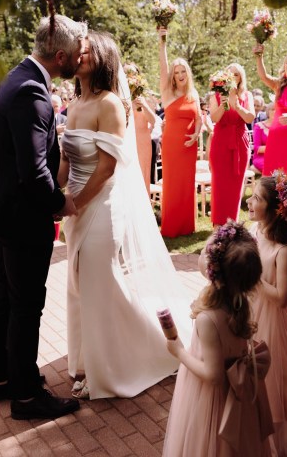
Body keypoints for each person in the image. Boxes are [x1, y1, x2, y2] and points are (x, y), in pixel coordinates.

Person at [59, 30, 193, 400]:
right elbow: (67, 159)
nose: (77, 54)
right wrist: (57, 196)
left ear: (100, 58)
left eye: (84, 50)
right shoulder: (73, 105)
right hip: (75, 206)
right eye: (76, 50)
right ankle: (85, 362)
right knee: (78, 284)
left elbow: (105, 168)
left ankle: (130, 358)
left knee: (101, 284)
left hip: (102, 204)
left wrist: (75, 202)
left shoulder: (110, 105)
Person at [0, 14, 87, 420]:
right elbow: (34, 171)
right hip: (22, 218)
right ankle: (25, 396)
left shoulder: (17, 77)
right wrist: (60, 203)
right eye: (76, 54)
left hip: (4, 212)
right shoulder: (32, 94)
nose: (79, 59)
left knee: (5, 295)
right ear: (61, 56)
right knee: (26, 305)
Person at [163, 220, 273, 457]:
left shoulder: (208, 319)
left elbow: (214, 376)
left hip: (214, 401)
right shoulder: (242, 302)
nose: (202, 254)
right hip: (240, 401)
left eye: (204, 252)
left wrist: (179, 352)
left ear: (214, 272)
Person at [247, 172, 287, 455]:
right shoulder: (255, 233)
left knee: (270, 382)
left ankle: (273, 444)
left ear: (276, 209)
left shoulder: (285, 251)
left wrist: (250, 276)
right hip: (251, 313)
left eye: (257, 198)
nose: (250, 201)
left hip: (272, 321)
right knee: (249, 376)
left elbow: (281, 299)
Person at [158, 27, 202, 237]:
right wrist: (162, 42)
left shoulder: (194, 93)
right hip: (172, 146)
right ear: (173, 76)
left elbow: (200, 118)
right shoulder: (168, 93)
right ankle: (171, 227)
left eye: (183, 71)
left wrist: (196, 134)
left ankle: (186, 227)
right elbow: (162, 66)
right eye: (177, 72)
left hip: (189, 146)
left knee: (186, 185)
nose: (181, 75)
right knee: (172, 185)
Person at [209, 63, 255, 226]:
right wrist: (224, 103)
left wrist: (237, 107)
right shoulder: (216, 95)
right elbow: (214, 118)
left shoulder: (246, 95)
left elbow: (250, 118)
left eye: (236, 74)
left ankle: (232, 224)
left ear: (240, 78)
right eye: (230, 74)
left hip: (240, 142)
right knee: (219, 185)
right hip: (220, 142)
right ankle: (217, 224)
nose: (233, 77)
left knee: (236, 186)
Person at [253, 45, 287, 182]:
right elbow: (263, 76)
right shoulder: (279, 85)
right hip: (276, 141)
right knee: (275, 180)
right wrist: (259, 56)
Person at [132, 94, 156, 194]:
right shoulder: (121, 98)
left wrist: (144, 105)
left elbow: (153, 121)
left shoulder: (144, 99)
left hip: (142, 143)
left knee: (142, 175)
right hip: (127, 142)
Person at [251, 102, 275, 174]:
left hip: (278, 157)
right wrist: (273, 148)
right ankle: (279, 184)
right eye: (273, 109)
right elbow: (256, 148)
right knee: (276, 169)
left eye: (278, 109)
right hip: (261, 158)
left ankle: (279, 184)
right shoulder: (259, 126)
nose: (275, 111)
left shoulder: (281, 127)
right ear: (268, 111)